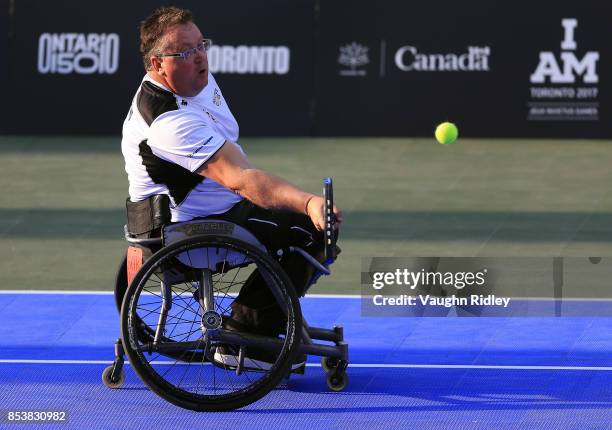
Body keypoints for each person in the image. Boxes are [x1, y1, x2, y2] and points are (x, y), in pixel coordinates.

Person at [121, 6, 341, 369]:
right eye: (186, 53)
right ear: (157, 64)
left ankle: (261, 321)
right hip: (190, 233)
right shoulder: (168, 121)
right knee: (311, 233)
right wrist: (308, 203)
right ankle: (245, 339)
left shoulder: (192, 80)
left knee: (297, 218)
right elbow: (241, 179)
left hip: (214, 210)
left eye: (201, 46)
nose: (200, 58)